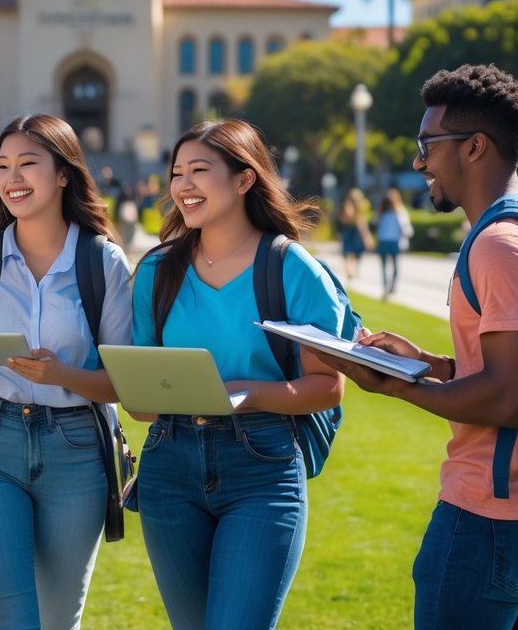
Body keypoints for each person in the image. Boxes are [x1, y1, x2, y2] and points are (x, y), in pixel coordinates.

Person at [314, 64, 518, 630]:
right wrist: (426, 362)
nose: (419, 162)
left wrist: (397, 385)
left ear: (474, 147)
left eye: (427, 145)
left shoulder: (499, 245)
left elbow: (507, 400)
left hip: (497, 511)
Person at [130, 119, 347, 630]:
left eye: (199, 171)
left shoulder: (293, 268)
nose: (183, 186)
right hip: (168, 467)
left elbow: (327, 387)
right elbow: (139, 402)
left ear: (245, 179)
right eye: (176, 172)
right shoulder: (156, 272)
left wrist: (247, 394)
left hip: (263, 467)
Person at [0, 114, 133, 630]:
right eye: (3, 166)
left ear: (64, 174)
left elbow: (125, 383)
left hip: (76, 451)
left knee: (58, 618)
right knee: (9, 619)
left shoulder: (103, 262)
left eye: (28, 164)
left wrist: (62, 374)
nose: (12, 178)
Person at [375, 186, 414, 298]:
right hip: (392, 241)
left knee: (385, 266)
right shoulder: (398, 212)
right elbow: (405, 228)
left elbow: (375, 223)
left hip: (384, 241)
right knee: (394, 266)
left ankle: (387, 287)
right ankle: (390, 287)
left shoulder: (384, 212)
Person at [336, 186, 373, 280]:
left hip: (352, 231)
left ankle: (350, 269)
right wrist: (367, 237)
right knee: (351, 253)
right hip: (352, 231)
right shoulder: (350, 206)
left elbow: (360, 221)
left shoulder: (361, 206)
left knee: (351, 253)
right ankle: (350, 270)